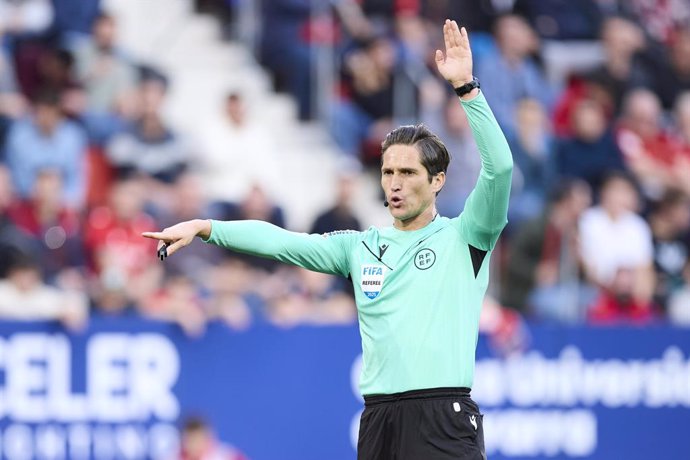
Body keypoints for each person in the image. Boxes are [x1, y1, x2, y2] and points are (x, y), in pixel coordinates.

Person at [143, 20, 512, 459]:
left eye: (408, 173)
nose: (394, 183)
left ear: (437, 181)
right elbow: (283, 242)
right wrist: (207, 227)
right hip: (377, 420)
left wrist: (467, 89)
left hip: (441, 417)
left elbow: (500, 170)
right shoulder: (359, 247)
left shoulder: (466, 236)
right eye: (388, 172)